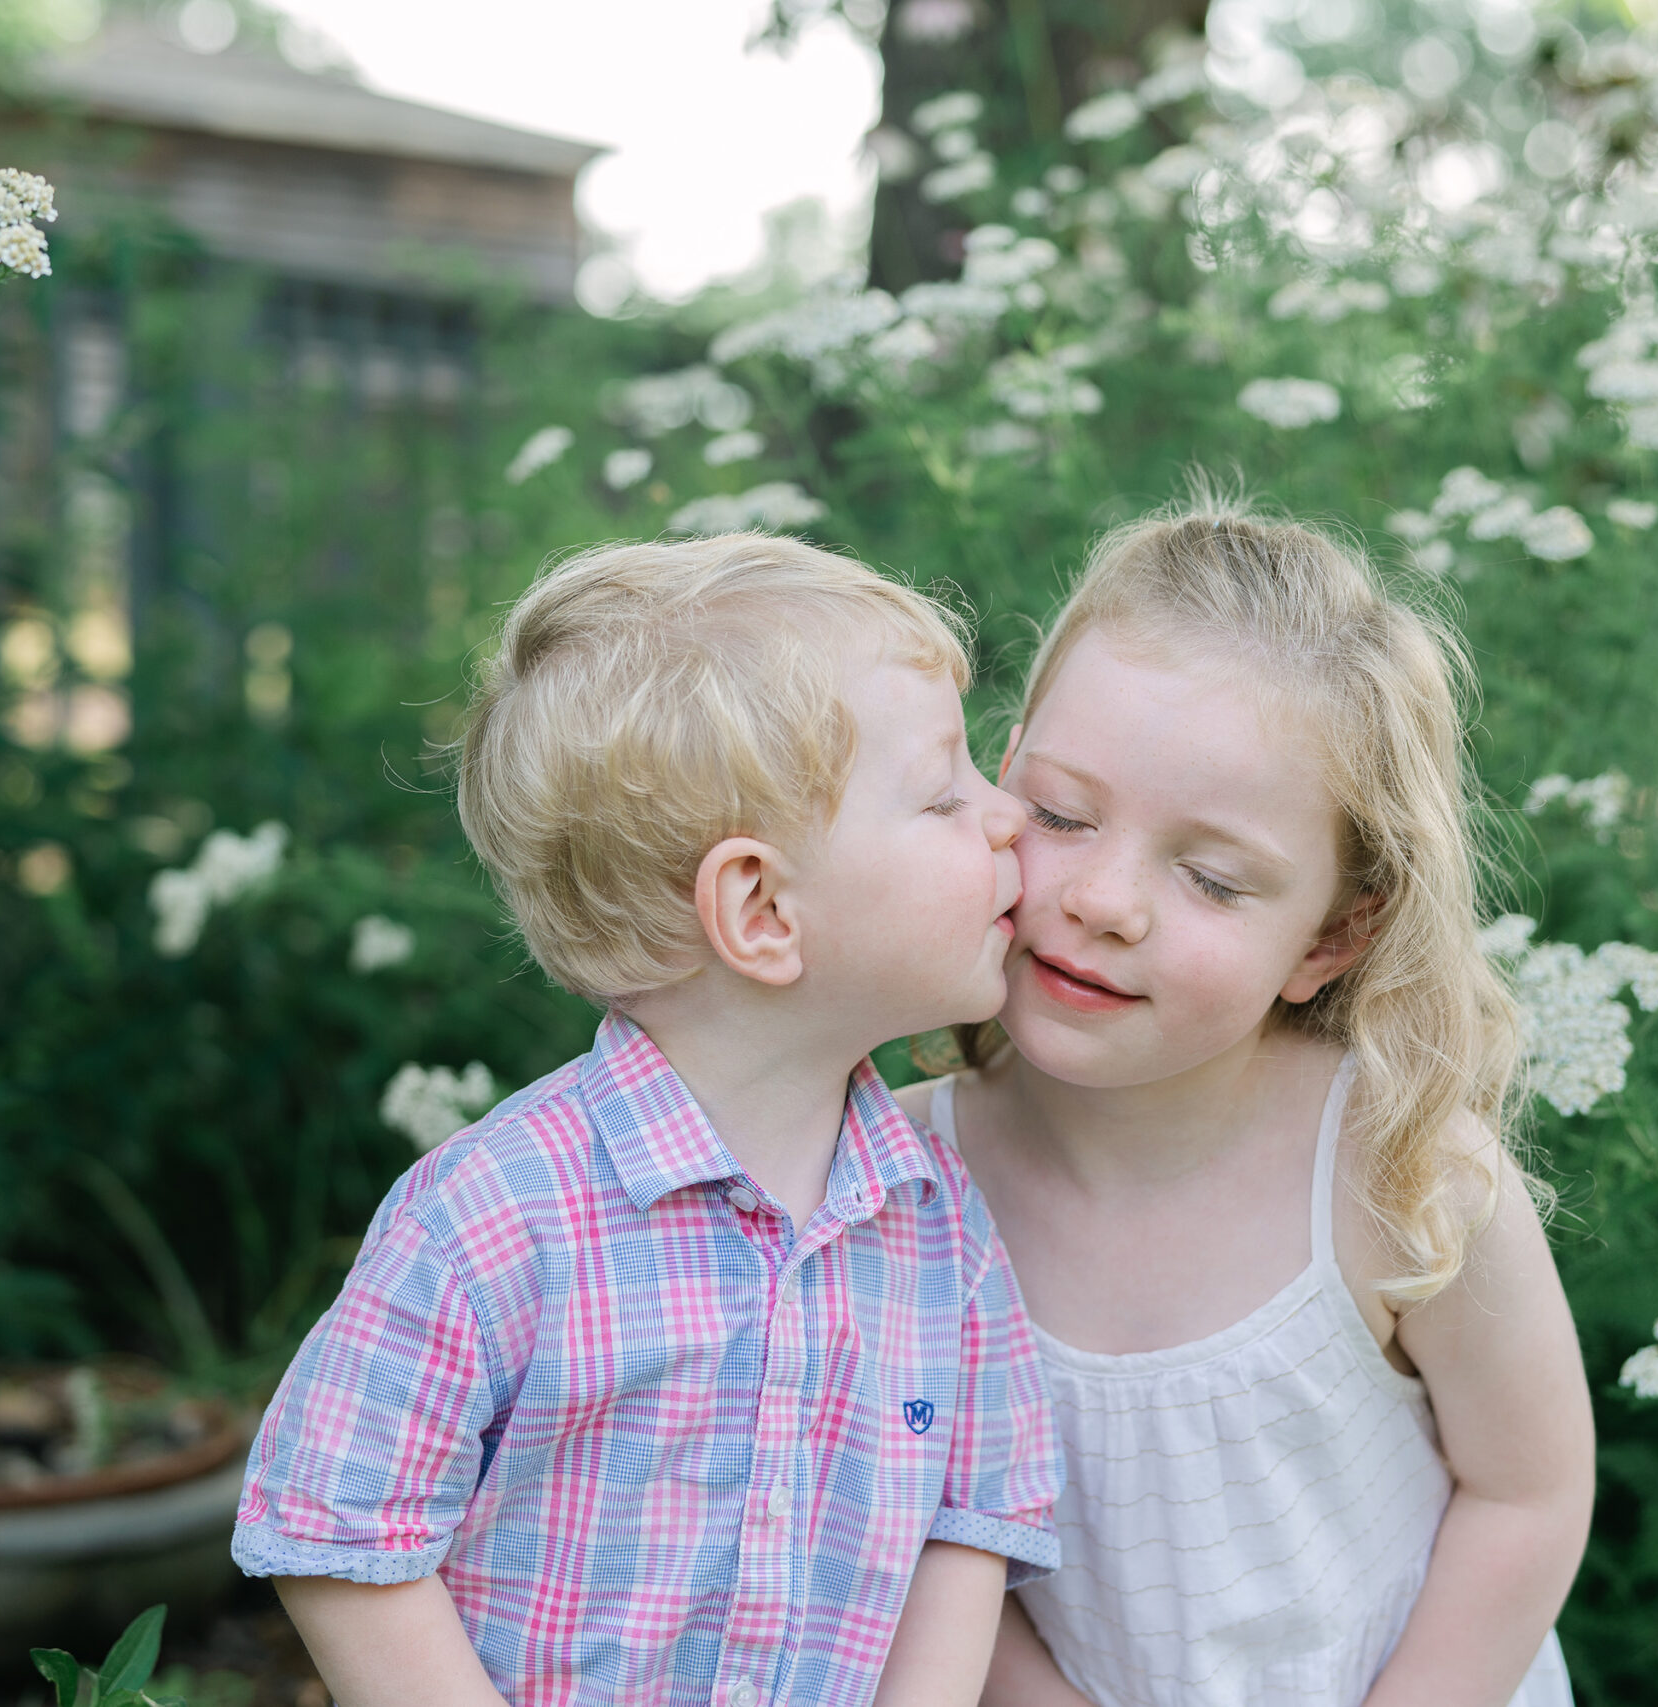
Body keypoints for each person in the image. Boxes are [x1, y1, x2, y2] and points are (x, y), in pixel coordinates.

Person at [232, 534, 1065, 1707]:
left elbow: (968, 1525)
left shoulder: (937, 1226)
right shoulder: (495, 1220)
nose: (1007, 814)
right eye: (943, 793)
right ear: (762, 907)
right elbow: (339, 1530)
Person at [900, 500, 1593, 1707]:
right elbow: (914, 1538)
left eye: (1213, 879)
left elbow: (1527, 1493)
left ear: (1329, 936)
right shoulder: (894, 1183)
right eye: (1062, 815)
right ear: (999, 775)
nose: (1105, 900)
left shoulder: (1397, 1171)